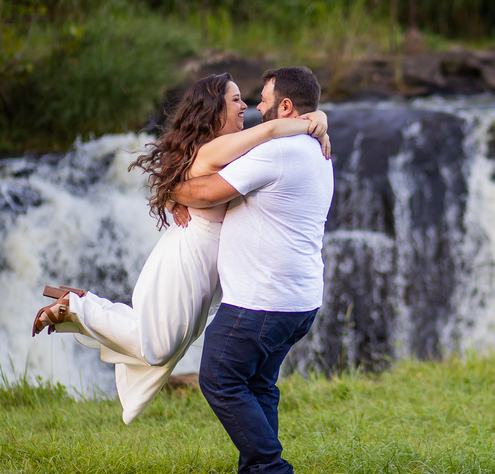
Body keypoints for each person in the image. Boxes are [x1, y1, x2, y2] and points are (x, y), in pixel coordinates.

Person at [29, 73, 330, 425]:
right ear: (215, 111)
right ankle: (78, 306)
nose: (248, 105)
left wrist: (318, 119)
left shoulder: (236, 149)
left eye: (250, 99)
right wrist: (316, 122)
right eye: (236, 100)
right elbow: (269, 131)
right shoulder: (218, 148)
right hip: (188, 256)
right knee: (158, 348)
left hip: (204, 266)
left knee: (164, 343)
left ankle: (81, 305)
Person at [169, 66, 334, 474]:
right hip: (297, 300)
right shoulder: (312, 148)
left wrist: (169, 189)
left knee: (219, 378)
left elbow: (206, 191)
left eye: (263, 100)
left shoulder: (279, 151)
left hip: (262, 301)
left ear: (285, 106)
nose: (256, 109)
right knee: (258, 385)